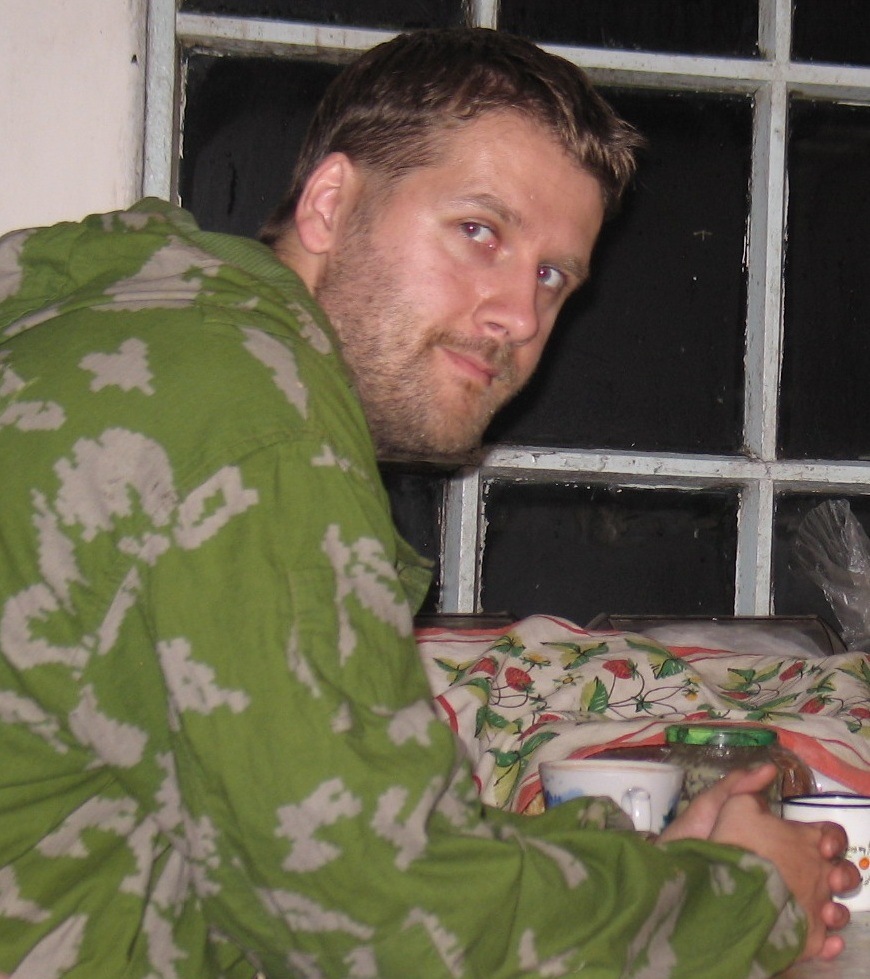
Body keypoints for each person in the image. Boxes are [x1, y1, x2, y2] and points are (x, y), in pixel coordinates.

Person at [0, 26, 859, 979]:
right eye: (479, 232)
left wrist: (648, 869)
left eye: (552, 276)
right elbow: (379, 917)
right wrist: (741, 898)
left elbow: (258, 864)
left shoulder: (142, 337)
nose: (519, 317)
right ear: (330, 203)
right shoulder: (248, 416)